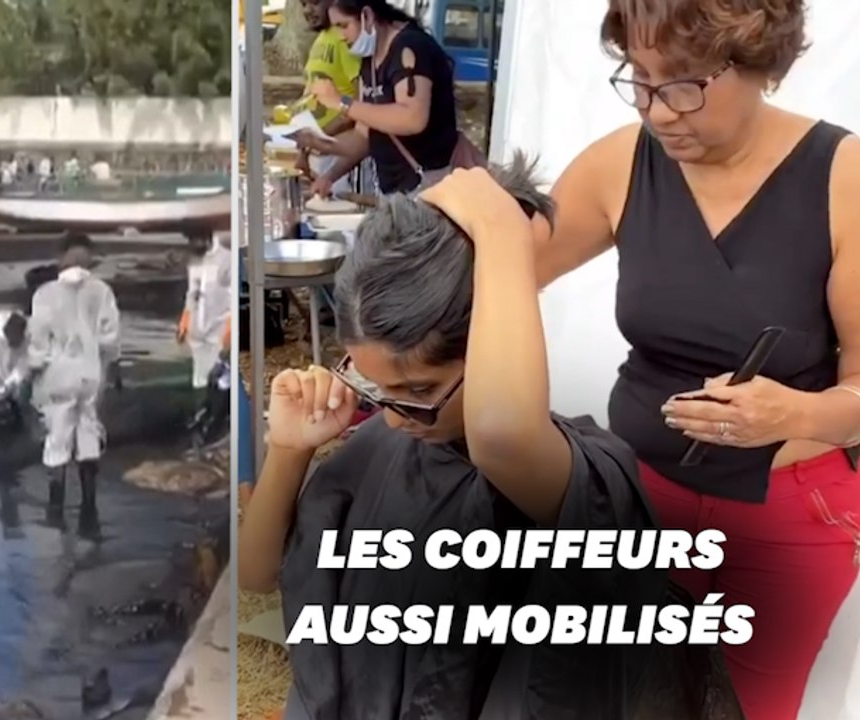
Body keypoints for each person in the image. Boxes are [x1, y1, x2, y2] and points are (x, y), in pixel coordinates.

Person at [238, 164, 665, 717]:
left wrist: (501, 235)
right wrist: (291, 452)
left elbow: (503, 435)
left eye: (419, 389)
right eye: (376, 387)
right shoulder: (377, 449)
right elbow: (255, 575)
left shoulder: (572, 479)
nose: (395, 417)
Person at [535, 1, 860, 717]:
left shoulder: (842, 177)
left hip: (785, 517)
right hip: (639, 502)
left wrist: (796, 412)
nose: (657, 111)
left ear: (756, 63)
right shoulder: (618, 163)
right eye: (639, 80)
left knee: (743, 708)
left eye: (681, 83)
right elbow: (505, 274)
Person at [297, 0, 458, 197]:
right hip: (393, 191)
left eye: (343, 26)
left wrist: (342, 102)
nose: (340, 36)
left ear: (368, 16)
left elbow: (413, 118)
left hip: (427, 189)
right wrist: (325, 160)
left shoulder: (411, 48)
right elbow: (363, 137)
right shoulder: (369, 59)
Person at [27, 232, 121, 525]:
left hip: (58, 374)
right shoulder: (102, 291)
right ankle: (88, 507)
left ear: (61, 257)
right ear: (88, 257)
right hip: (90, 373)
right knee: (88, 433)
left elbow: (38, 343)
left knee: (57, 440)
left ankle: (56, 510)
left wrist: (33, 371)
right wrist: (111, 367)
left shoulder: (44, 294)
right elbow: (110, 339)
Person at [292, 0, 362, 198]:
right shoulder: (320, 40)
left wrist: (323, 135)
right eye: (303, 4)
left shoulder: (344, 39)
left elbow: (362, 103)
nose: (307, 10)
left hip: (340, 155)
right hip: (317, 153)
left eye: (314, 2)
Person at [177, 232, 232, 391]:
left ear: (207, 238)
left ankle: (219, 407)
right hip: (198, 327)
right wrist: (185, 320)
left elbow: (232, 294)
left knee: (219, 379)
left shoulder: (226, 259)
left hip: (219, 325)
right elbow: (192, 292)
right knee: (200, 377)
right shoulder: (195, 259)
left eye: (196, 241)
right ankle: (201, 410)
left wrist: (230, 324)